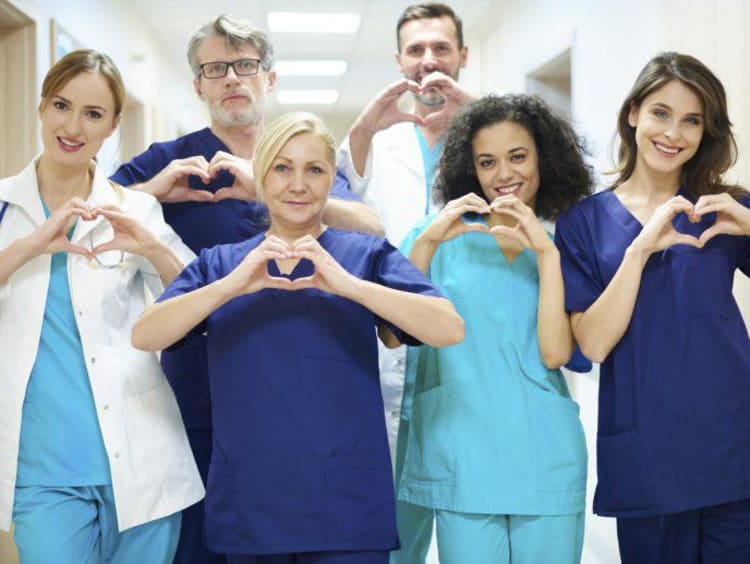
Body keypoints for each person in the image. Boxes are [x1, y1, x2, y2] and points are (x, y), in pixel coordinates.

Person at [131, 111, 464, 564]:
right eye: (282, 168)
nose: (298, 184)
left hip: (347, 504)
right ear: (260, 177)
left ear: (332, 180)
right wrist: (234, 286)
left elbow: (448, 326)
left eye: (315, 170)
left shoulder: (363, 256)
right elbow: (147, 334)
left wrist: (347, 285)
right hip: (252, 501)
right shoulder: (223, 263)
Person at [111, 16, 383, 564]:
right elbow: (92, 219)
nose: (232, 78)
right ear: (198, 86)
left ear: (269, 79)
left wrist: (269, 184)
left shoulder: (299, 156)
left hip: (302, 389)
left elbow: (372, 229)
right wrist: (152, 192)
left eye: (245, 66)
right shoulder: (171, 159)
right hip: (199, 388)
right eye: (215, 69)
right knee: (208, 544)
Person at [0, 49, 204, 564]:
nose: (73, 126)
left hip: (141, 459)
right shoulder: (4, 205)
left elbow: (198, 306)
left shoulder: (136, 209)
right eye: (62, 106)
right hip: (41, 469)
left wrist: (152, 248)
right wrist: (28, 246)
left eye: (93, 114)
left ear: (113, 124)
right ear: (42, 107)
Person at [555, 52, 750, 564]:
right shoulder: (585, 223)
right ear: (634, 113)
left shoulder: (725, 210)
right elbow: (592, 343)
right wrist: (639, 250)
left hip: (733, 446)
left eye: (692, 120)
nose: (674, 133)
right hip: (649, 455)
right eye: (662, 113)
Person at [394, 94, 592, 564]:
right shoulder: (437, 234)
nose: (504, 174)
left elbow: (554, 355)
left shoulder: (564, 240)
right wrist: (426, 241)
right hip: (463, 452)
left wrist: (545, 254)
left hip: (544, 453)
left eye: (517, 156)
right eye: (487, 162)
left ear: (544, 158)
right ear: (471, 169)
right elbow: (396, 330)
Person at [338, 1, 475, 463]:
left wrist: (482, 119)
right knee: (397, 521)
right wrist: (359, 131)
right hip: (390, 346)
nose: (429, 60)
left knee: (465, 502)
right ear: (399, 62)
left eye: (441, 47)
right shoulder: (376, 145)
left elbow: (545, 191)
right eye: (415, 50)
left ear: (463, 55)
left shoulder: (493, 143)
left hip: (471, 344)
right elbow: (331, 198)